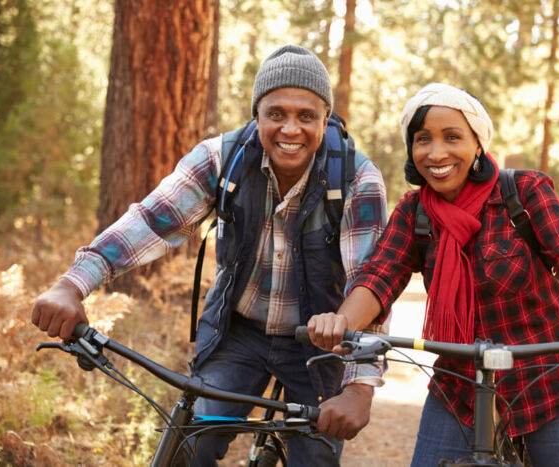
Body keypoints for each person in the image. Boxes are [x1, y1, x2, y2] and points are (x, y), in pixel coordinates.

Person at [30, 45, 388, 466]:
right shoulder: (222, 157)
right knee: (191, 446)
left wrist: (361, 386)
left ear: (325, 119)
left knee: (315, 458)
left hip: (320, 342)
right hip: (238, 332)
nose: (290, 128)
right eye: (276, 114)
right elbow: (150, 221)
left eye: (306, 115)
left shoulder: (356, 178)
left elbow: (370, 280)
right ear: (257, 116)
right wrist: (72, 284)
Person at [307, 82, 559, 467]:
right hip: (460, 390)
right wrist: (342, 322)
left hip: (551, 385)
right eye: (422, 139)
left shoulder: (525, 192)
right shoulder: (415, 212)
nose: (436, 152)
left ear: (478, 143)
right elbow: (379, 278)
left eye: (452, 137)